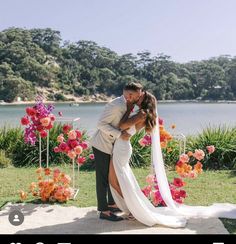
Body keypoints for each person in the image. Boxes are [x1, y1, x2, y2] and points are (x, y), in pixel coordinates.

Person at [109, 91, 236, 228]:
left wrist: (128, 109)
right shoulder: (144, 114)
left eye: (140, 98)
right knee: (119, 180)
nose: (137, 98)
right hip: (121, 147)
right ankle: (132, 208)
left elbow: (122, 126)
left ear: (145, 101)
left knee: (119, 180)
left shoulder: (142, 114)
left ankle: (135, 210)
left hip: (122, 147)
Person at [90, 82, 146, 221]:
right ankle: (103, 211)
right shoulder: (115, 105)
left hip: (114, 146)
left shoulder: (129, 105)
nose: (138, 99)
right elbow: (100, 124)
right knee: (102, 178)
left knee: (111, 176)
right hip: (102, 145)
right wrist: (119, 135)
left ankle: (112, 203)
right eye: (137, 96)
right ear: (129, 95)